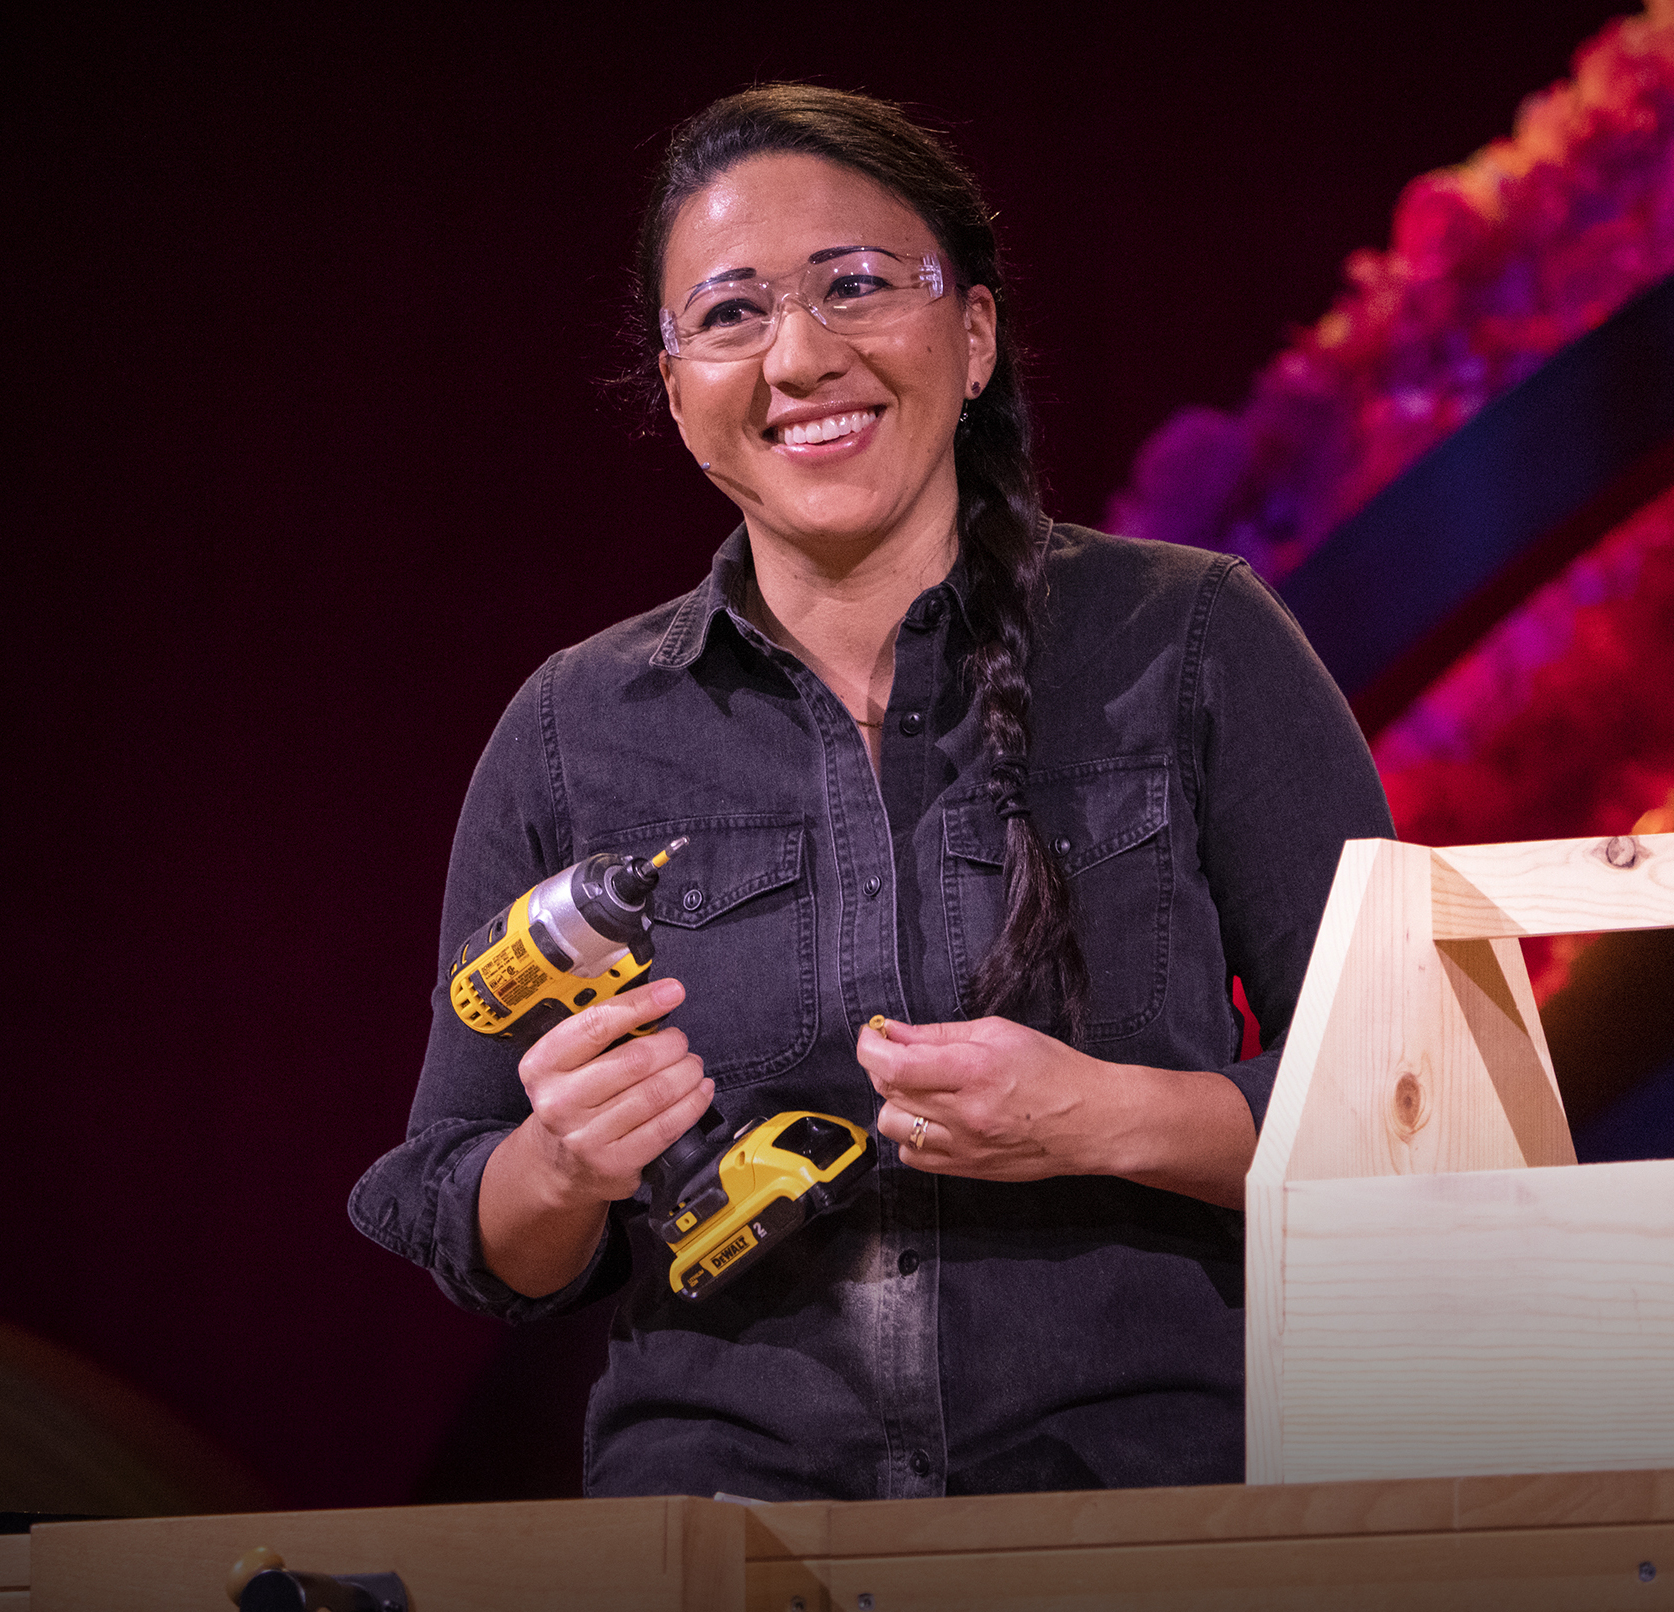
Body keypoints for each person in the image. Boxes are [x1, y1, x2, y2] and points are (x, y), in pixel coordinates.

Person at [349, 84, 1394, 1501]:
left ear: (974, 338)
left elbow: (1405, 1108)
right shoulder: (573, 729)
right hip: (720, 1522)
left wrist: (1103, 1118)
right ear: (678, 394)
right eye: (731, 313)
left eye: (855, 285)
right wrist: (561, 1166)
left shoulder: (1193, 639)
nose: (799, 356)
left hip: (1137, 1508)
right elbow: (464, 1212)